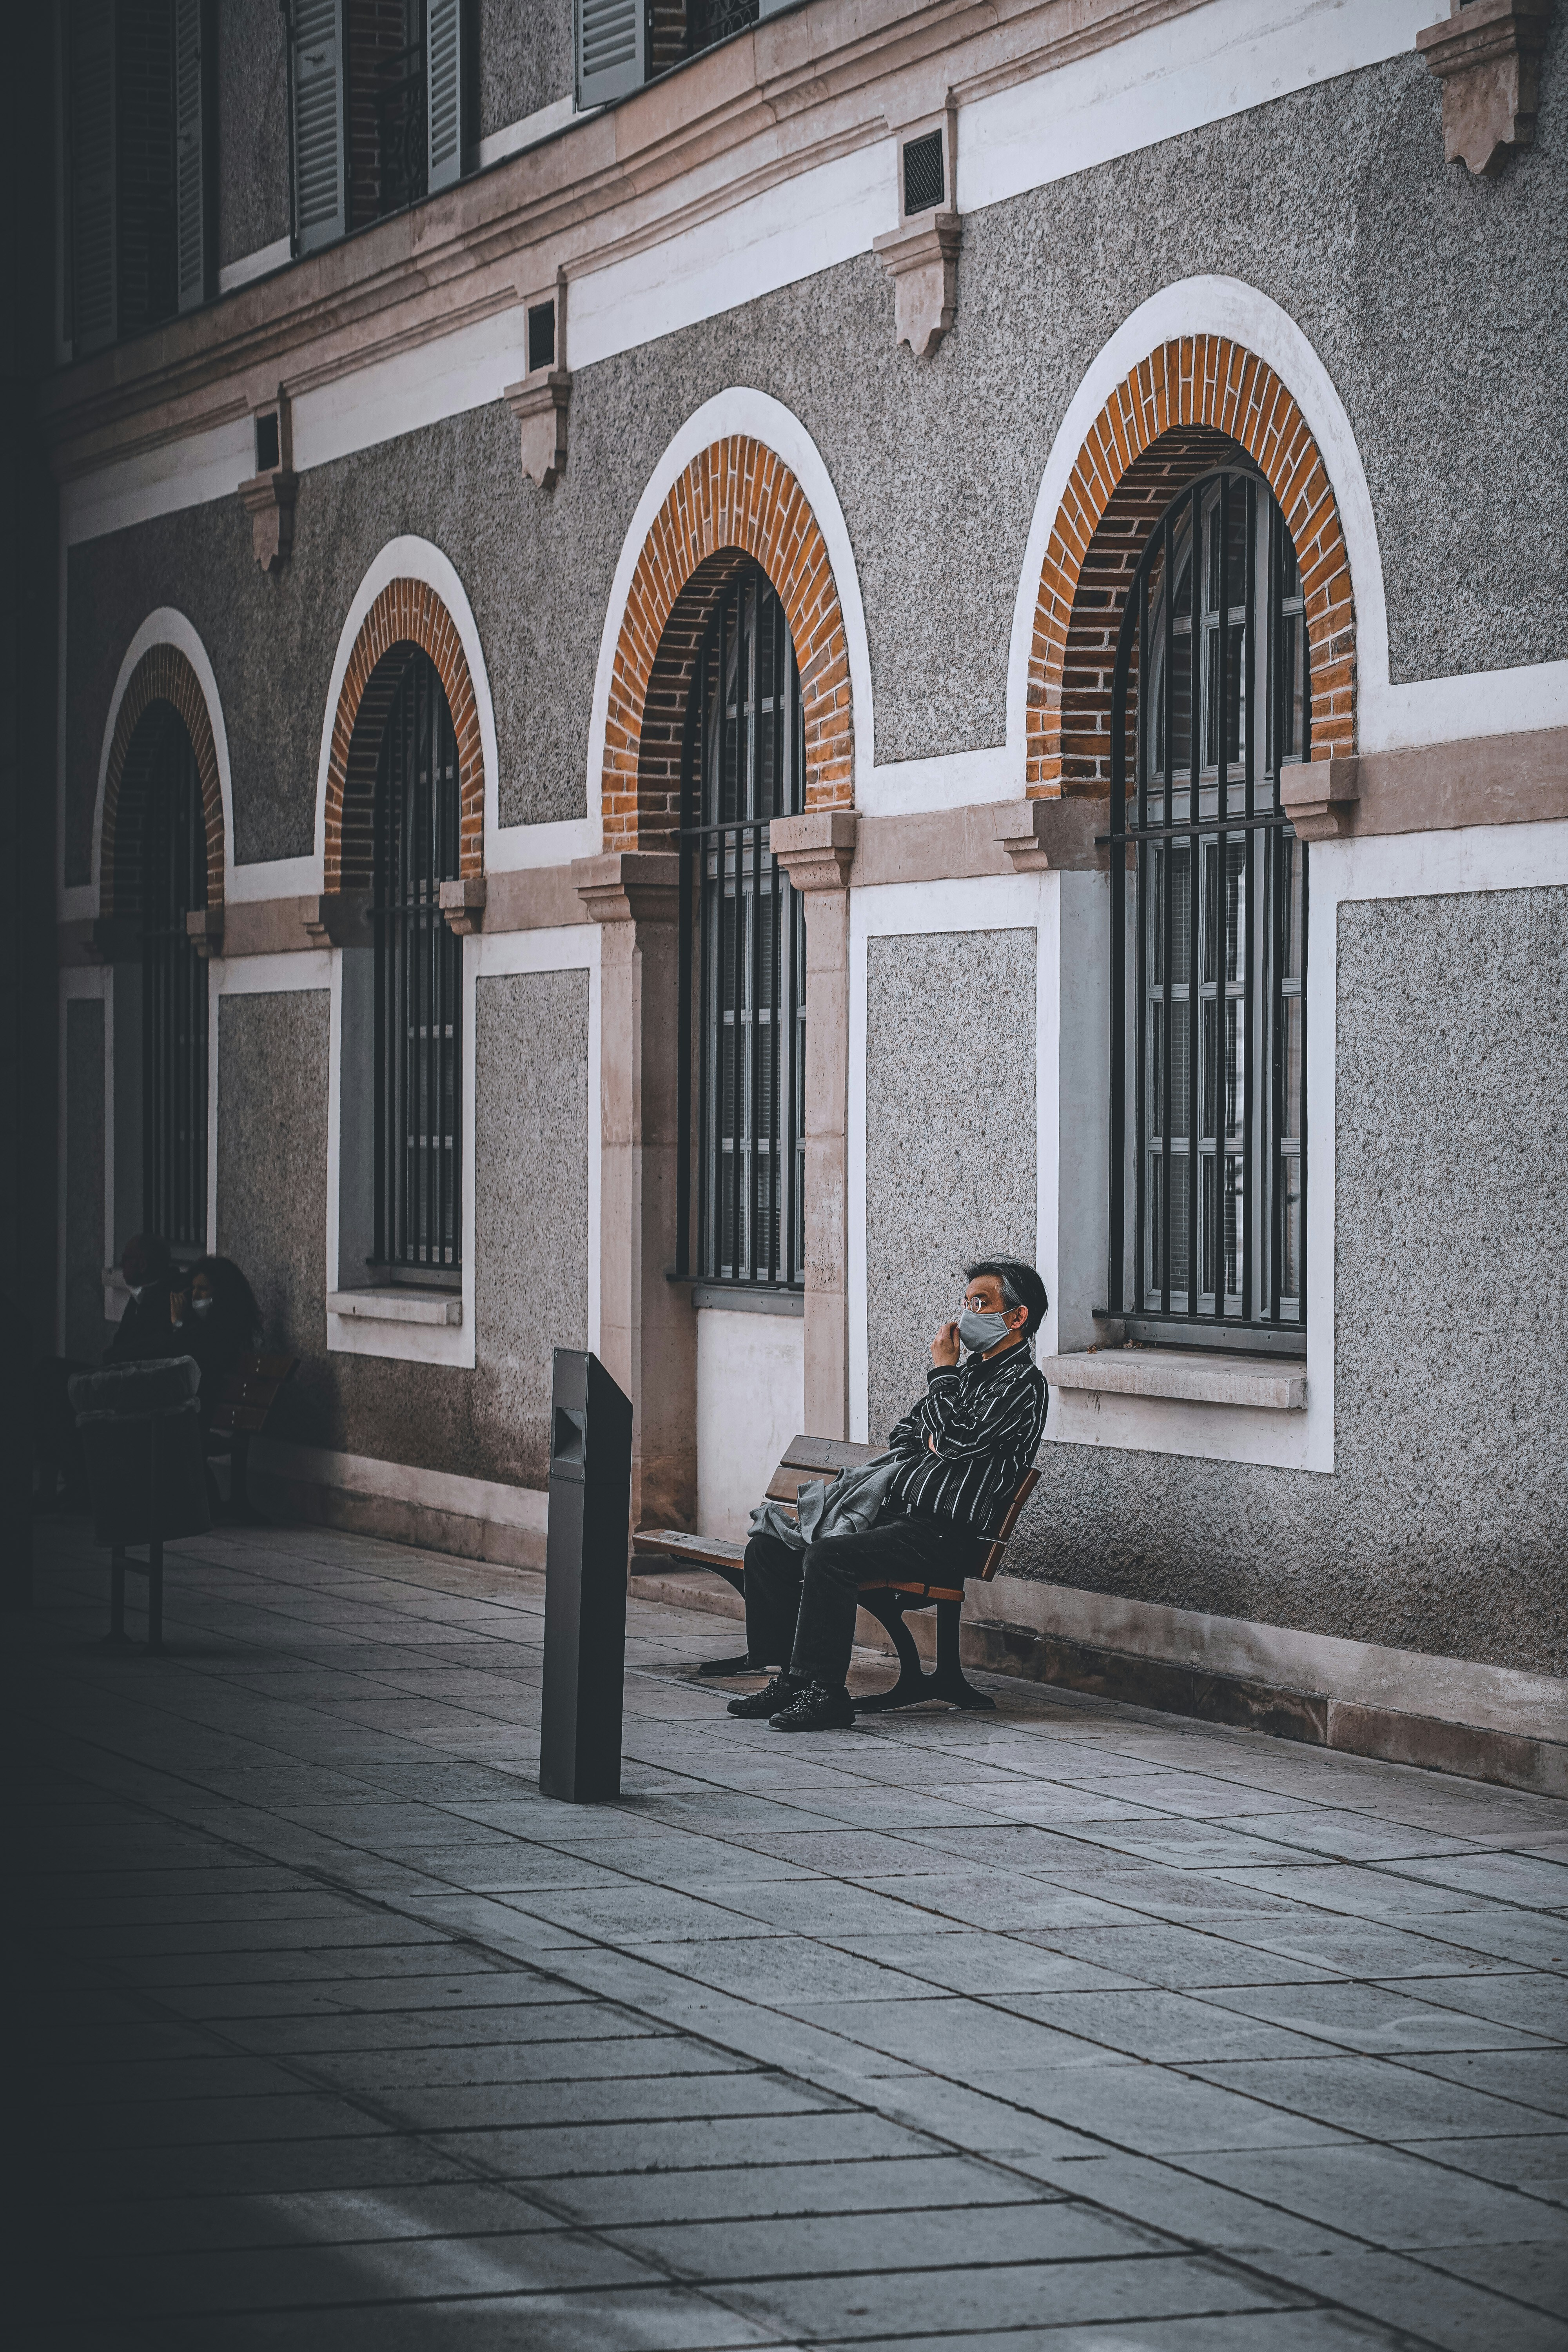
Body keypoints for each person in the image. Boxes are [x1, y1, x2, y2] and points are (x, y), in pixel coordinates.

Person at [731, 1257, 1050, 1733]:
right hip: (896, 1522)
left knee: (828, 1557)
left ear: (1017, 1317)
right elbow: (907, 1433)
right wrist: (939, 1429)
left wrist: (942, 1378)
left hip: (942, 1534)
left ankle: (826, 1694)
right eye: (965, 1303)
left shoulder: (1021, 1384)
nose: (965, 1315)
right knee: (768, 1547)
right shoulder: (965, 1379)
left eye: (979, 1303)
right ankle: (791, 1679)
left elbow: (958, 1442)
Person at [104, 1234, 181, 1364]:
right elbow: (121, 1340)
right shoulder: (141, 1291)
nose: (122, 1265)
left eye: (126, 1259)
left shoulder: (169, 1297)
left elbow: (151, 1348)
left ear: (143, 1265)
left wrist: (114, 1355)